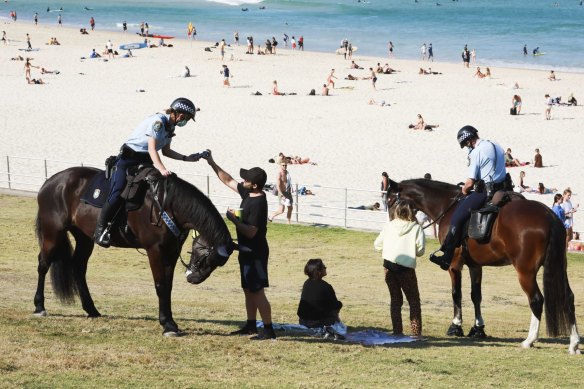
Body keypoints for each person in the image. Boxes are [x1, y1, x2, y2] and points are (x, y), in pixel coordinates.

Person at [94, 98, 201, 247]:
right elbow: (152, 149)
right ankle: (100, 231)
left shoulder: (171, 126)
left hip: (145, 161)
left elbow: (166, 151)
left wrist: (186, 158)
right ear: (180, 115)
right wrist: (163, 169)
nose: (186, 122)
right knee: (117, 192)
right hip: (127, 160)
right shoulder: (157, 122)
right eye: (187, 118)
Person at [203, 152, 276, 340]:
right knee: (248, 289)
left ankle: (268, 329)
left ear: (254, 185)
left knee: (257, 290)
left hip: (256, 252)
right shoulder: (249, 192)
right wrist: (212, 162)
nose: (242, 180)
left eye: (247, 179)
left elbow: (251, 231)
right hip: (246, 250)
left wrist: (233, 220)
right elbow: (228, 180)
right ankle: (251, 325)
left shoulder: (259, 203)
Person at [429, 125, 507, 270]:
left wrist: (465, 190)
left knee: (457, 217)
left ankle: (447, 256)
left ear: (469, 141)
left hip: (486, 191)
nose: (466, 147)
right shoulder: (496, 144)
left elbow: (470, 182)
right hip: (505, 189)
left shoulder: (476, 152)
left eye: (465, 145)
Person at [374, 200, 425, 338]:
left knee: (395, 300)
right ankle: (415, 333)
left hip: (389, 266)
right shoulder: (416, 228)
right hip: (406, 269)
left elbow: (377, 245)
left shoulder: (389, 226)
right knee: (413, 301)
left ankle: (397, 331)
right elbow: (420, 251)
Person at [297, 259, 343, 329]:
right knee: (336, 307)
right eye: (324, 267)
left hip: (303, 321)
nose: (325, 268)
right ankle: (337, 324)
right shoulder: (326, 286)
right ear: (318, 271)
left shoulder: (306, 283)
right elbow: (335, 306)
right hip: (318, 323)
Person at [269, 159, 293, 224]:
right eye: (283, 165)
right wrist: (282, 195)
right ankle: (270, 217)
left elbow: (289, 182)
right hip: (282, 193)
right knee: (281, 210)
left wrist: (291, 189)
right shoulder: (279, 174)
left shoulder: (287, 173)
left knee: (290, 208)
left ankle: (288, 222)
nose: (284, 166)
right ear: (280, 166)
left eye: (285, 165)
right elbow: (278, 186)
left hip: (288, 193)